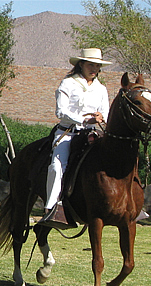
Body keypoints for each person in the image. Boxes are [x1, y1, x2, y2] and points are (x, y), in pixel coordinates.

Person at [43, 48, 111, 221]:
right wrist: (84, 119)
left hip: (93, 134)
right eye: (90, 64)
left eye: (97, 65)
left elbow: (106, 113)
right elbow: (61, 112)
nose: (94, 68)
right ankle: (51, 208)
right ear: (81, 64)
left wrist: (101, 117)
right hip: (68, 133)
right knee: (57, 166)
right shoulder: (67, 84)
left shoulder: (101, 89)